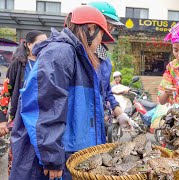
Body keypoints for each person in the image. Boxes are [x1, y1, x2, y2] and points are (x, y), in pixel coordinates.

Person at [9, 5, 130, 180]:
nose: (101, 42)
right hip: (50, 158)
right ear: (90, 28)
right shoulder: (61, 52)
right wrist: (52, 158)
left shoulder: (82, 56)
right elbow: (43, 107)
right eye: (102, 33)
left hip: (70, 150)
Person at [0, 30, 47, 175]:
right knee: (17, 161)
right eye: (40, 43)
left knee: (37, 163)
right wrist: (2, 120)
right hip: (19, 122)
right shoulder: (17, 65)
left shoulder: (46, 64)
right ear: (28, 44)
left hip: (39, 123)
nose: (44, 46)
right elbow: (6, 92)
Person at [89, 1, 131, 131]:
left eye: (112, 27)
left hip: (97, 122)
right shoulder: (73, 53)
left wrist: (120, 114)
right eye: (109, 24)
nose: (110, 30)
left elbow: (106, 91)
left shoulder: (104, 58)